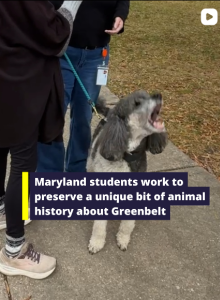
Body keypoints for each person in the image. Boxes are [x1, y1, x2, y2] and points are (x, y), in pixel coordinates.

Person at [0, 0, 83, 279]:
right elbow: (56, 37)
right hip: (19, 86)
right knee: (23, 164)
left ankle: (2, 207)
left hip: (7, 78)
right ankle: (14, 252)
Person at [37, 0, 130, 173]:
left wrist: (120, 15)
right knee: (51, 117)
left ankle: (77, 173)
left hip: (96, 56)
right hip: (62, 53)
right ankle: (49, 178)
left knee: (83, 118)